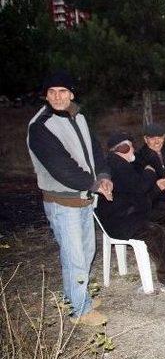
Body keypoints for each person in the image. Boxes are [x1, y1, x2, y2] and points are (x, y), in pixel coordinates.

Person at [27, 71, 112, 326]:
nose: (57, 97)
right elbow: (61, 168)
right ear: (46, 95)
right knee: (75, 256)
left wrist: (105, 175)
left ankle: (74, 295)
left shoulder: (78, 116)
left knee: (85, 251)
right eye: (51, 92)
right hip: (62, 201)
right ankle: (79, 310)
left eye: (62, 91)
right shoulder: (40, 126)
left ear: (72, 94)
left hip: (83, 197)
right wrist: (94, 184)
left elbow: (95, 151)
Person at [96, 133, 165, 295]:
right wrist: (150, 173)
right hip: (118, 220)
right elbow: (141, 189)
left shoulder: (124, 164)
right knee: (154, 231)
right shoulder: (117, 166)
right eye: (130, 146)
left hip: (132, 211)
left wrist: (155, 186)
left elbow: (140, 197)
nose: (133, 149)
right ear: (123, 148)